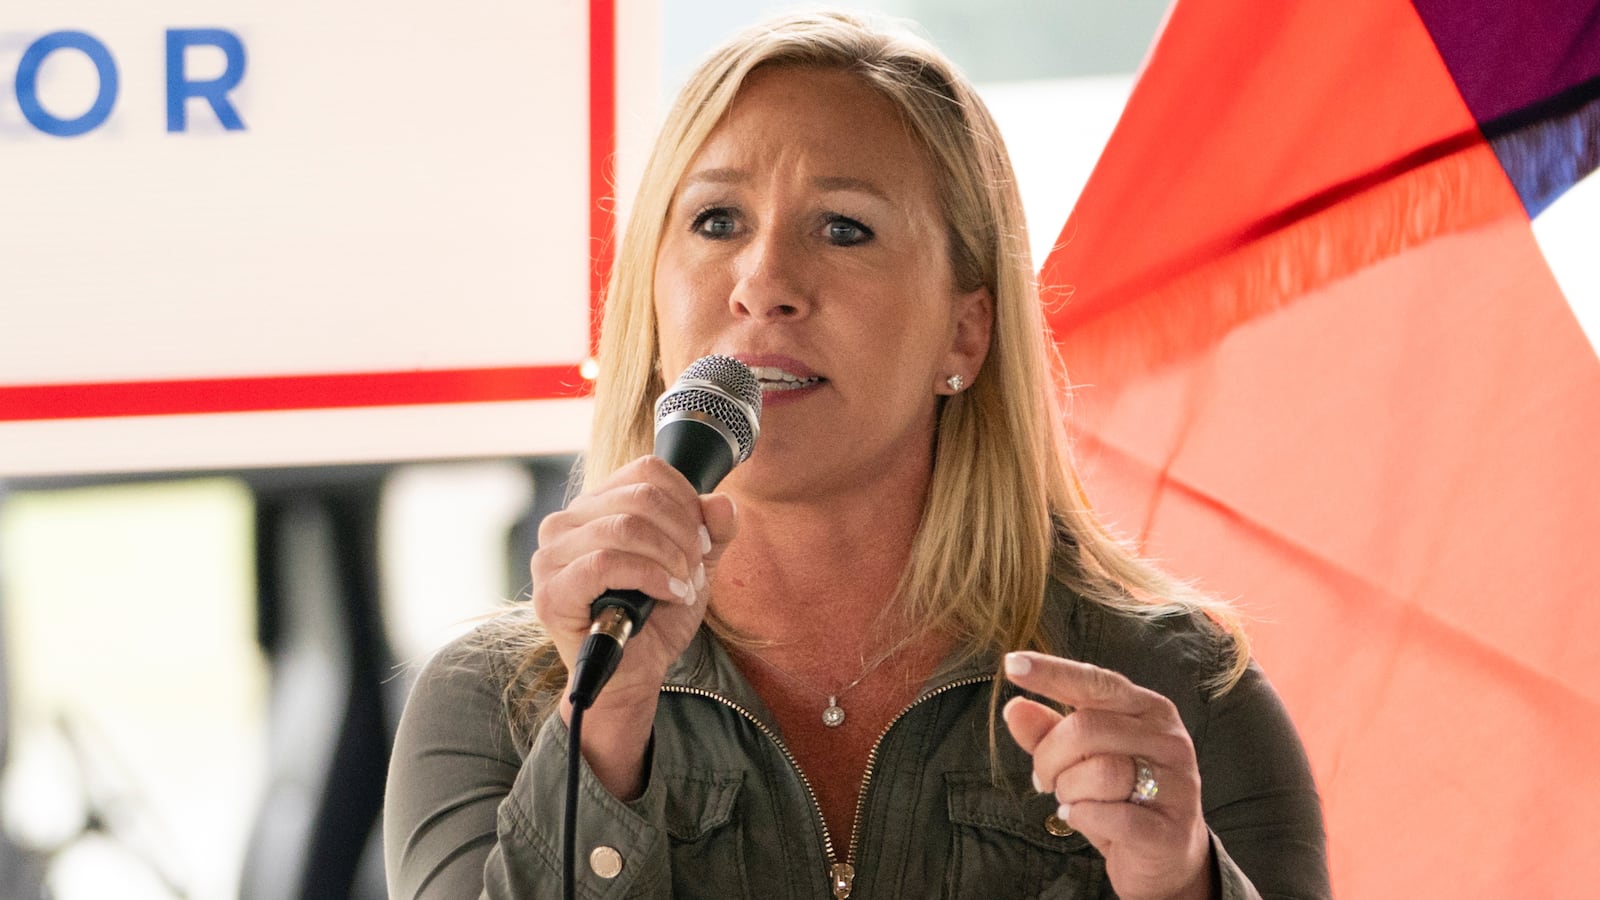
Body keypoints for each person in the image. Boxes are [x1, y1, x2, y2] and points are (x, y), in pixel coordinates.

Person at [383, 11, 1329, 899]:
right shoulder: (495, 707)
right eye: (717, 221)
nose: (765, 285)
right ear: (653, 301)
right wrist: (604, 739)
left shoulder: (1174, 689)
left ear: (965, 334)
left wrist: (1183, 884)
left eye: (844, 228)